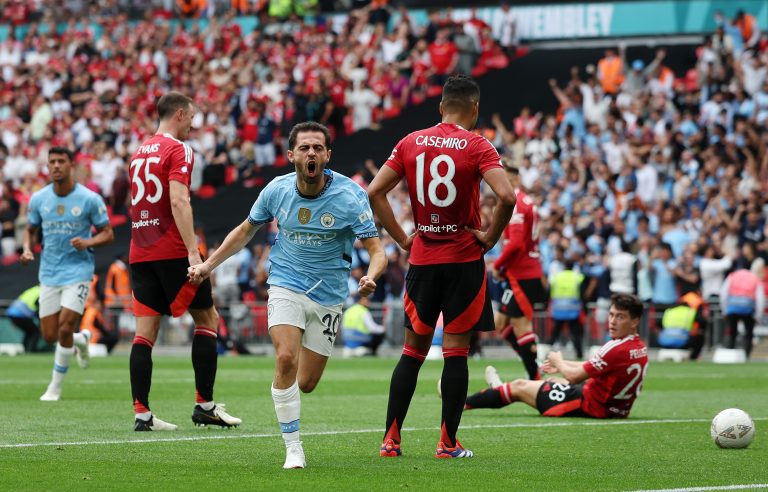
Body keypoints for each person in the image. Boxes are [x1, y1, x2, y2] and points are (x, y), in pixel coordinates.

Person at [188, 121, 386, 469]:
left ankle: (289, 398)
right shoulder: (276, 190)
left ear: (327, 155)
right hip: (285, 284)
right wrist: (208, 266)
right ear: (292, 154)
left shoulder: (350, 195)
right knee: (284, 359)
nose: (312, 153)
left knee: (306, 383)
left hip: (329, 294)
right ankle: (293, 447)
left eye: (318, 148)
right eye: (305, 148)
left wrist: (370, 276)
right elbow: (244, 232)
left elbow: (377, 249)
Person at [367, 74, 517, 459]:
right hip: (464, 260)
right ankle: (447, 443)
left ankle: (390, 441)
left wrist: (403, 238)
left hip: (422, 260)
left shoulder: (411, 141)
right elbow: (507, 195)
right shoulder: (477, 144)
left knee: (411, 352)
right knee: (455, 352)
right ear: (475, 109)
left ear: (440, 107)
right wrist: (491, 237)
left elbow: (374, 191)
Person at [127, 91, 241, 432]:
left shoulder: (138, 152)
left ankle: (142, 413)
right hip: (173, 249)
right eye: (191, 117)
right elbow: (178, 201)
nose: (194, 123)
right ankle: (204, 405)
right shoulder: (179, 149)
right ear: (179, 114)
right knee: (208, 318)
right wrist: (194, 252)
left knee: (144, 333)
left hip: (140, 250)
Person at [21, 147, 114, 401]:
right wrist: (28, 249)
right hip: (49, 272)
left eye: (61, 161)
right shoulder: (39, 199)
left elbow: (108, 233)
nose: (56, 166)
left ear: (71, 165)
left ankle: (55, 387)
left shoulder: (89, 199)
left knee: (63, 329)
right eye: (52, 162)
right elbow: (29, 229)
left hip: (78, 270)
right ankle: (81, 340)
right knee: (50, 335)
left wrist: (88, 242)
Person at [465, 294, 648, 419]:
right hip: (617, 409)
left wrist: (559, 362)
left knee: (519, 386)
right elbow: (593, 366)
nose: (613, 321)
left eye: (620, 317)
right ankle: (498, 391)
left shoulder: (615, 347)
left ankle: (463, 403)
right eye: (611, 315)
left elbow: (575, 376)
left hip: (588, 405)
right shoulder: (638, 347)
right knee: (556, 381)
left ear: (635, 321)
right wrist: (563, 367)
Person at [492, 161, 547, 379]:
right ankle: (531, 361)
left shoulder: (515, 202)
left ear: (512, 178)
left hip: (523, 274)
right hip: (522, 272)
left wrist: (497, 264)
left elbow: (516, 244)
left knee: (521, 325)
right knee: (501, 323)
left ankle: (536, 376)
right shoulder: (527, 201)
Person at [720, 267, 765, 359]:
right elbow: (760, 298)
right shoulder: (754, 278)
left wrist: (724, 310)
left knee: (732, 332)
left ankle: (730, 353)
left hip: (732, 307)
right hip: (748, 308)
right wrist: (758, 315)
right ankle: (746, 355)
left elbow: (723, 293)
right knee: (749, 333)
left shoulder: (732, 276)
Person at [547, 259, 586, 359]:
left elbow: (549, 289)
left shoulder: (556, 276)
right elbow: (582, 293)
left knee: (555, 332)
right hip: (572, 310)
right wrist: (584, 307)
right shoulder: (577, 277)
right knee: (575, 333)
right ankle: (579, 354)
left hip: (558, 309)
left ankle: (546, 352)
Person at [658, 291, 705, 361]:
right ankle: (693, 358)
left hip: (664, 342)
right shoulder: (691, 312)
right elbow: (703, 322)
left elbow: (659, 324)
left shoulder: (669, 311)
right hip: (681, 342)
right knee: (700, 336)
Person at [5, 284, 42, 353]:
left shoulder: (33, 289)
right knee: (35, 332)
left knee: (29, 331)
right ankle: (32, 350)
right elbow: (38, 306)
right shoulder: (41, 292)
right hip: (20, 314)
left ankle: (26, 349)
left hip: (12, 313)